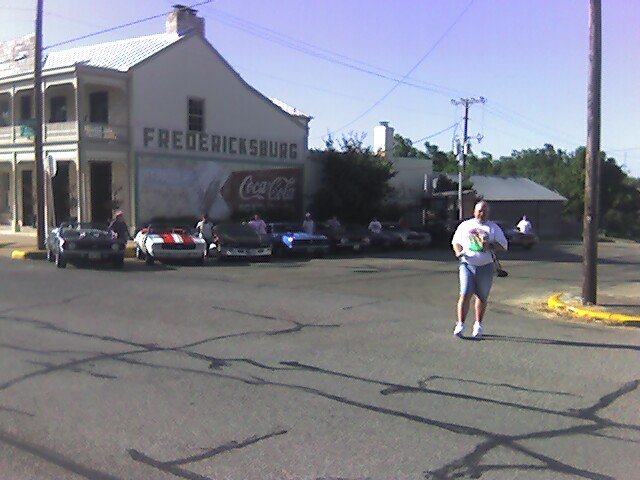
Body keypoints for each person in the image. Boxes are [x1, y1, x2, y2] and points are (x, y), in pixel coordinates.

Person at [451, 201, 508, 338]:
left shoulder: (493, 228)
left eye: (484, 211)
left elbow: (504, 246)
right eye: (479, 211)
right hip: (467, 264)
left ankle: (478, 325)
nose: (481, 214)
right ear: (474, 212)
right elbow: (456, 242)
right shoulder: (465, 225)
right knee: (465, 294)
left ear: (488, 213)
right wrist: (458, 252)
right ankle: (460, 324)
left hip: (486, 266)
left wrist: (490, 245)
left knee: (482, 297)